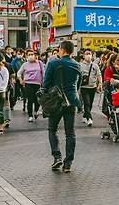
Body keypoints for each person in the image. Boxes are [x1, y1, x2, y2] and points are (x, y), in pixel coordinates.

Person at [43, 40, 82, 173]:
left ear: (63, 50)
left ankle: (57, 157)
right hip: (71, 101)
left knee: (52, 129)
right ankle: (68, 163)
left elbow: (45, 82)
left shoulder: (53, 63)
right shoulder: (77, 65)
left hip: (56, 101)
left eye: (59, 49)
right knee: (70, 133)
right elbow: (78, 85)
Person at [17, 51, 44, 122]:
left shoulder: (40, 63)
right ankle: (30, 115)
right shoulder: (25, 64)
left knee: (37, 99)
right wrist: (20, 80)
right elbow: (19, 73)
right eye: (29, 55)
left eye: (32, 54)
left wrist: (44, 82)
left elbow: (43, 73)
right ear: (26, 56)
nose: (31, 56)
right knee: (30, 99)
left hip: (37, 83)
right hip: (28, 83)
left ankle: (36, 111)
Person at [79, 50, 101, 127]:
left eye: (90, 54)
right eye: (87, 54)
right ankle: (89, 118)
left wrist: (100, 84)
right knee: (87, 103)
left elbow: (99, 75)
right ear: (84, 56)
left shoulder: (95, 65)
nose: (88, 55)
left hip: (93, 87)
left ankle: (85, 116)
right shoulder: (80, 65)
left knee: (90, 103)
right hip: (84, 87)